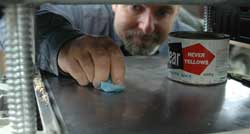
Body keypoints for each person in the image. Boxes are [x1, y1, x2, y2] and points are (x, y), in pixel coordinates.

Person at [36, 4, 194, 88]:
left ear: (177, 12)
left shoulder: (188, 41)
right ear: (114, 4)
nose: (147, 27)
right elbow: (33, 20)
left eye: (163, 12)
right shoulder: (85, 15)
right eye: (136, 7)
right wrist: (64, 44)